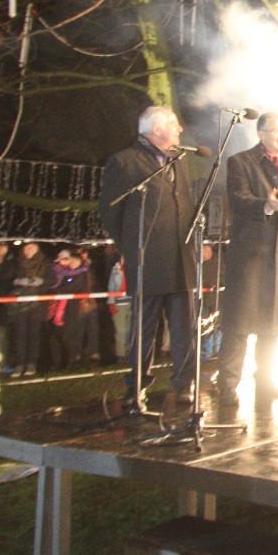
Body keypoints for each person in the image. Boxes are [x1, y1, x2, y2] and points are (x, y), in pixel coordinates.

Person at [98, 105, 200, 411]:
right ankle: (137, 386)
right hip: (147, 259)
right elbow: (110, 212)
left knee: (184, 328)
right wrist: (131, 246)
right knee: (144, 328)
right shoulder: (124, 161)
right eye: (174, 124)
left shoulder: (178, 160)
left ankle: (183, 384)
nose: (180, 129)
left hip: (180, 256)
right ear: (156, 130)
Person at [216, 111, 278, 406]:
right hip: (250, 254)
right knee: (239, 325)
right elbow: (238, 200)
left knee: (273, 325)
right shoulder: (241, 162)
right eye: (275, 131)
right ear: (260, 134)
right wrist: (266, 205)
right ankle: (227, 386)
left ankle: (265, 381)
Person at [0, 241, 49, 377]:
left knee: (34, 334)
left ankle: (31, 364)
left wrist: (41, 282)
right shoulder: (15, 263)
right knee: (20, 334)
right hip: (20, 305)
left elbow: (52, 280)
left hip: (38, 305)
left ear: (37, 248)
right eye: (27, 247)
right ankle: (19, 364)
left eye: (32, 247)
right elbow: (2, 280)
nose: (29, 250)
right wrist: (17, 282)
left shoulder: (44, 263)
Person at [48, 246, 97, 368]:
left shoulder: (80, 274)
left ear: (80, 262)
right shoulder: (66, 274)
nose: (73, 262)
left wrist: (56, 290)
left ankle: (74, 358)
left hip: (76, 307)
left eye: (76, 260)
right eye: (72, 260)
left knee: (72, 333)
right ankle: (66, 360)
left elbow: (71, 288)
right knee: (64, 334)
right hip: (66, 307)